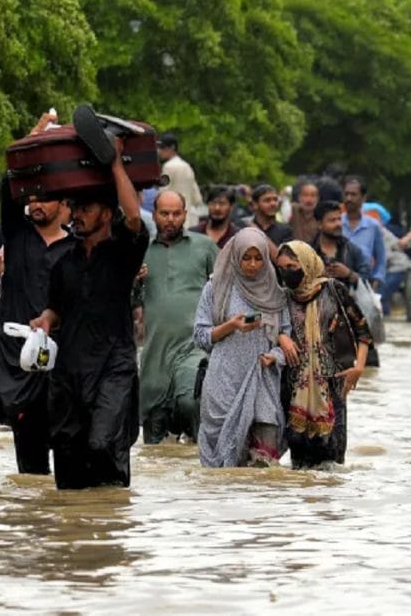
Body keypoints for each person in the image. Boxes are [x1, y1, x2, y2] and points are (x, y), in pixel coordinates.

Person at [29, 138, 149, 489]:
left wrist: (114, 164)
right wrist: (45, 320)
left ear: (106, 215)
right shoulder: (63, 263)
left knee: (102, 445)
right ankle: (74, 533)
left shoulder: (123, 255)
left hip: (114, 366)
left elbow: (133, 217)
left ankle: (109, 524)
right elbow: (56, 309)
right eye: (75, 208)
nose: (76, 215)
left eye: (86, 208)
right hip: (68, 371)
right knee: (66, 456)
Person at [0, 120, 76, 472]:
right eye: (33, 197)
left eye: (46, 197)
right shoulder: (17, 235)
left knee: (70, 458)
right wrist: (32, 138)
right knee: (30, 469)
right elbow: (5, 186)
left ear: (65, 203)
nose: (37, 203)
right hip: (20, 364)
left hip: (65, 366)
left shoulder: (77, 247)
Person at [193, 227, 294, 467]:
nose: (252, 264)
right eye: (246, 258)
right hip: (224, 381)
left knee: (264, 463)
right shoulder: (216, 288)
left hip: (262, 378)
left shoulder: (276, 294)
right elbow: (199, 336)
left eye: (258, 258)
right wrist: (231, 325)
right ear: (235, 257)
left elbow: (285, 337)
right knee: (224, 469)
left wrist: (274, 356)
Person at [276, 241, 371, 469]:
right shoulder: (282, 298)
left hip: (333, 382)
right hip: (294, 384)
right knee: (299, 464)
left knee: (332, 461)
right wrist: (282, 338)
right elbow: (272, 329)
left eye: (291, 266)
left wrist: (359, 368)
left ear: (306, 263)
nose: (286, 273)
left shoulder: (333, 290)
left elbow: (363, 330)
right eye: (281, 268)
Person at [139, 190, 218, 444]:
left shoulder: (204, 246)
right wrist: (132, 281)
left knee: (190, 401)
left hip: (194, 345)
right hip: (154, 351)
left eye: (176, 213)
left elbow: (224, 291)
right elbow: (123, 302)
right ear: (155, 215)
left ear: (185, 214)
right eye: (164, 213)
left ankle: (200, 471)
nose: (171, 219)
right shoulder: (140, 250)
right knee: (153, 428)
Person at [341, 176, 386, 290]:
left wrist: (376, 282)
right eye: (346, 194)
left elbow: (381, 259)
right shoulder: (337, 224)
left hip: (365, 285)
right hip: (339, 285)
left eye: (353, 194)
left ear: (363, 198)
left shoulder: (373, 226)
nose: (349, 198)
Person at [310, 200, 370, 286]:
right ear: (319, 224)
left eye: (339, 219)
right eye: (332, 220)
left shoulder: (351, 250)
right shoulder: (309, 251)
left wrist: (349, 274)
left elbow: (366, 278)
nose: (338, 224)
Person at [157, 132, 205, 226]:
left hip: (173, 218)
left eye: (162, 148)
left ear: (172, 148)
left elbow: (162, 193)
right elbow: (197, 198)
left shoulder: (168, 167)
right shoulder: (187, 167)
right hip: (190, 217)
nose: (159, 151)